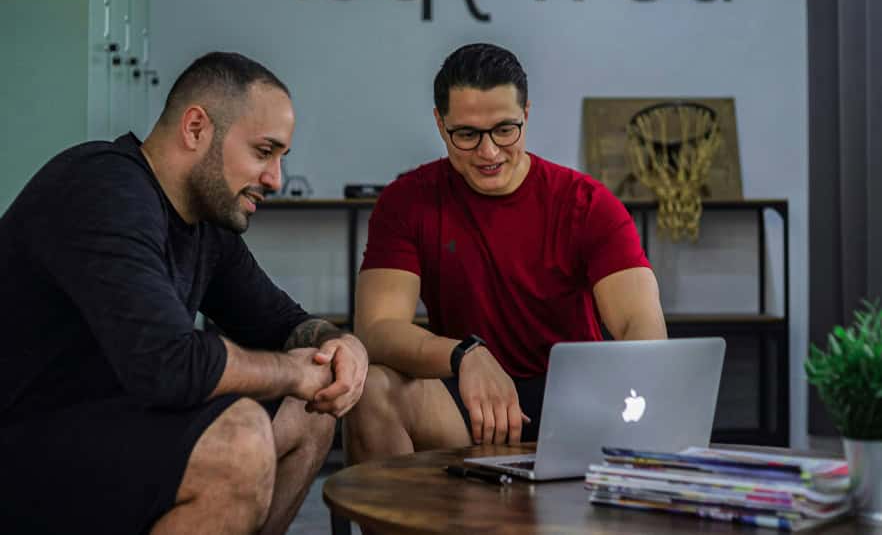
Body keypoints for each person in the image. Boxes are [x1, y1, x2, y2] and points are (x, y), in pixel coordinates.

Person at [0, 52, 368, 535]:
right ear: (196, 128)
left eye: (281, 160)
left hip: (108, 431)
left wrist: (339, 344)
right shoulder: (103, 189)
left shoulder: (204, 225)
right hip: (24, 445)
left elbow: (284, 324)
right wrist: (290, 372)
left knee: (312, 404)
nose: (275, 179)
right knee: (238, 440)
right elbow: (167, 365)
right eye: (263, 152)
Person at [345, 43, 666, 463]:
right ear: (441, 125)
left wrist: (641, 409)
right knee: (371, 390)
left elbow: (639, 324)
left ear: (526, 115)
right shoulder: (407, 202)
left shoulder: (587, 203)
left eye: (504, 130)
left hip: (574, 402)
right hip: (466, 397)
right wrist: (465, 355)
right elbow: (379, 328)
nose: (489, 152)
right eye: (467, 135)